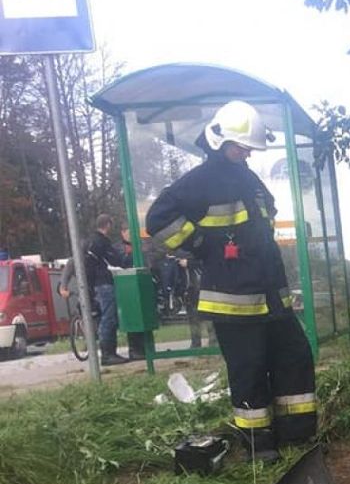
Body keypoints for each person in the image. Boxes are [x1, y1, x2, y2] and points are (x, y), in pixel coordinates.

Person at [145, 100, 317, 461]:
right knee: (249, 369)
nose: (246, 154)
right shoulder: (201, 180)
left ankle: (297, 435)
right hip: (232, 299)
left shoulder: (247, 178)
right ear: (219, 141)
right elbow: (158, 220)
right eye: (241, 147)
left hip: (270, 296)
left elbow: (264, 215)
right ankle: (259, 446)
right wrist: (200, 245)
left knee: (294, 357)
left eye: (249, 148)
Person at [59, 214, 131, 365]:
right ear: (108, 225)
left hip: (88, 285)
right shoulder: (102, 242)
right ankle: (108, 354)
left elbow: (72, 262)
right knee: (109, 317)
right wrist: (131, 259)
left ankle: (98, 346)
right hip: (102, 283)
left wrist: (63, 285)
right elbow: (117, 260)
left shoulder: (86, 242)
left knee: (98, 315)